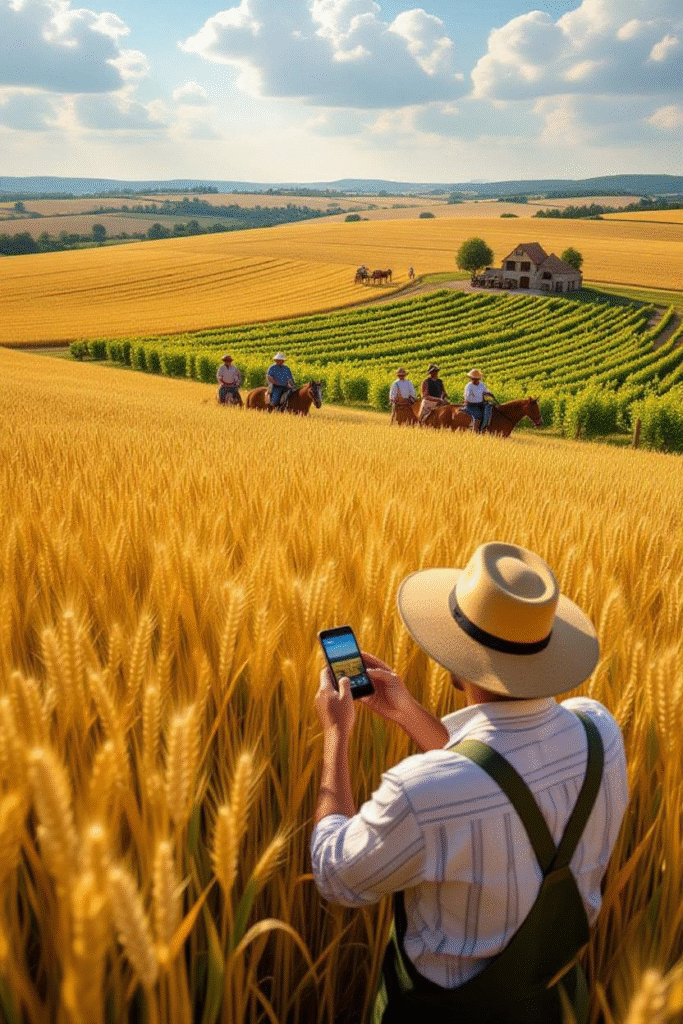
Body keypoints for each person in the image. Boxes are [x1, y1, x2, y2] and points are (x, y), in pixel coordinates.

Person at [311, 541, 628, 1024]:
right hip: (554, 1006)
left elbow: (335, 876)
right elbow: (495, 777)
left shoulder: (421, 794)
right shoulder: (600, 730)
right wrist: (409, 713)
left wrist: (336, 735)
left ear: (457, 657)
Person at [464, 368, 496, 432]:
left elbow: (486, 391)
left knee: (490, 411)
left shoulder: (482, 385)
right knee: (478, 415)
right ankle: (475, 430)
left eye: (476, 379)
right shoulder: (469, 386)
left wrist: (489, 394)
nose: (475, 380)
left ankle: (486, 427)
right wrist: (476, 400)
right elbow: (467, 397)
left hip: (480, 403)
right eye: (473, 379)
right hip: (471, 405)